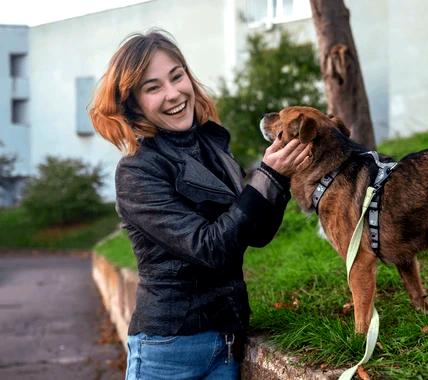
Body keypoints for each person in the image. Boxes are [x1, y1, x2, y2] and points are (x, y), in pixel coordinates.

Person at [89, 30, 310, 379]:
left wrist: (278, 177)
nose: (174, 93)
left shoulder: (212, 146)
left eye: (177, 77)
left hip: (226, 345)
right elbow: (210, 248)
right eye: (153, 87)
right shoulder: (137, 171)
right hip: (168, 352)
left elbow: (257, 233)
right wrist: (265, 175)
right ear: (133, 104)